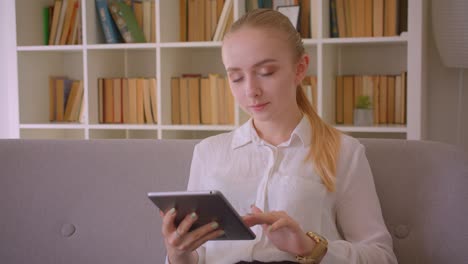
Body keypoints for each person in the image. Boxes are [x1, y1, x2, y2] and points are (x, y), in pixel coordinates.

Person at [160, 9, 398, 264]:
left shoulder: (344, 152)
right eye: (236, 77)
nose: (251, 90)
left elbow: (382, 258)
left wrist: (310, 247)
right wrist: (177, 253)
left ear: (300, 69)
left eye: (266, 72)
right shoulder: (208, 153)